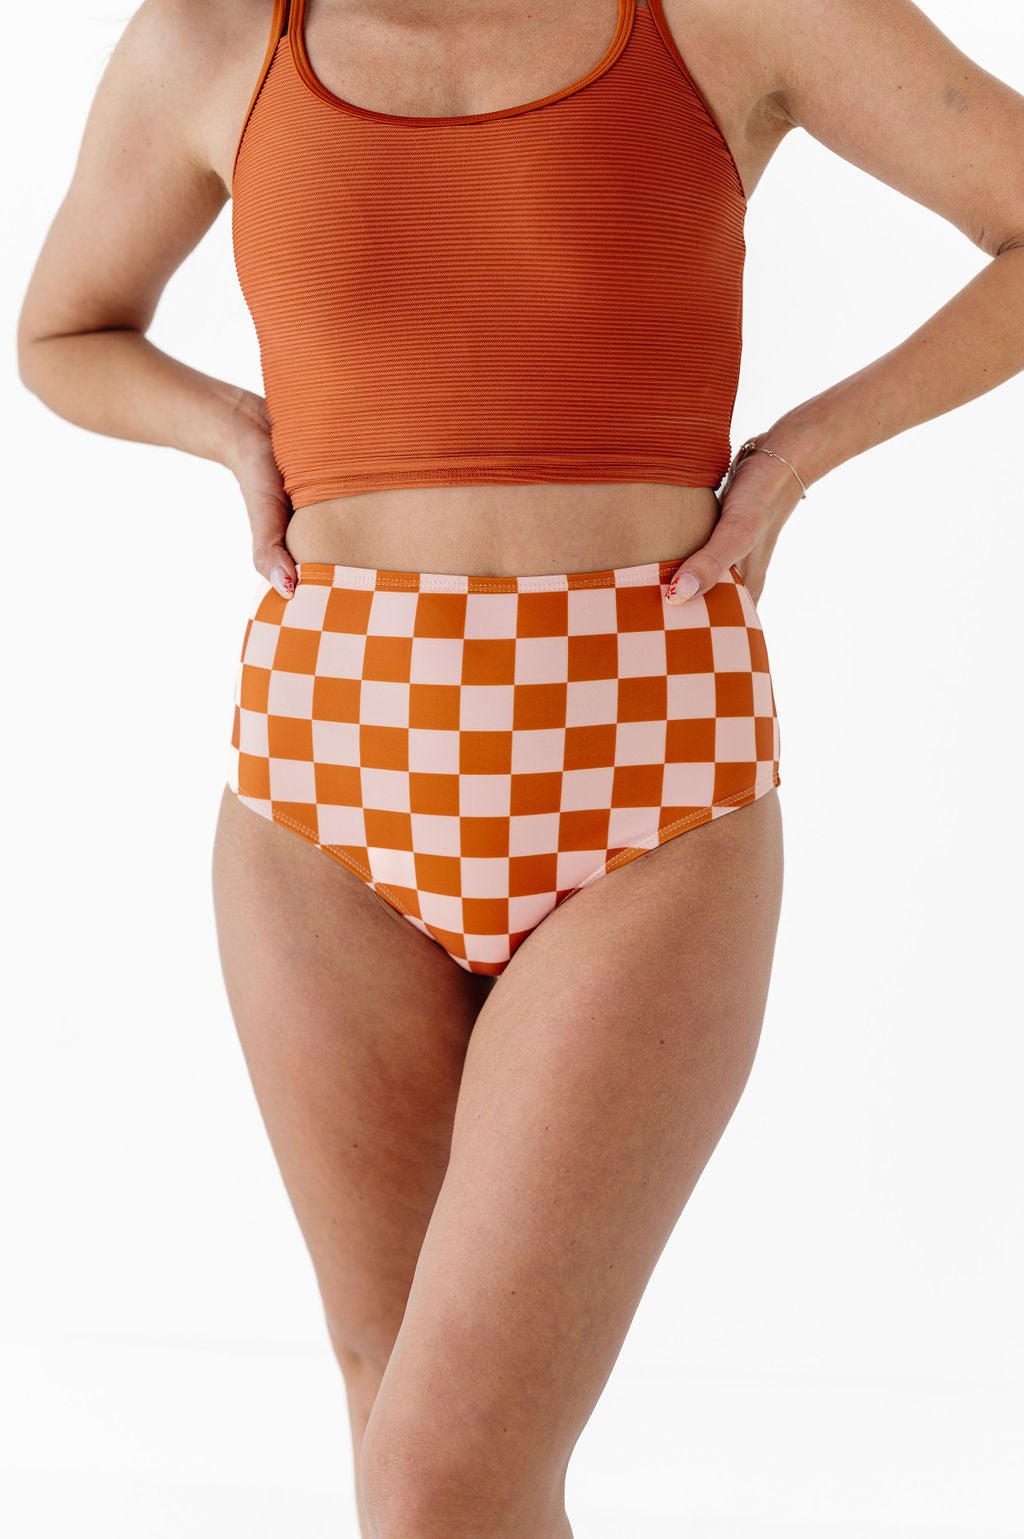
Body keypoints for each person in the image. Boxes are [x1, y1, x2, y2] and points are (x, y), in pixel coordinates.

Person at [16, 1, 1024, 1534]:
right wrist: (230, 429)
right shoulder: (213, 37)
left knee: (444, 1468)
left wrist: (804, 451)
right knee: (399, 1418)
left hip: (648, 774)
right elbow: (61, 334)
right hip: (321, 775)